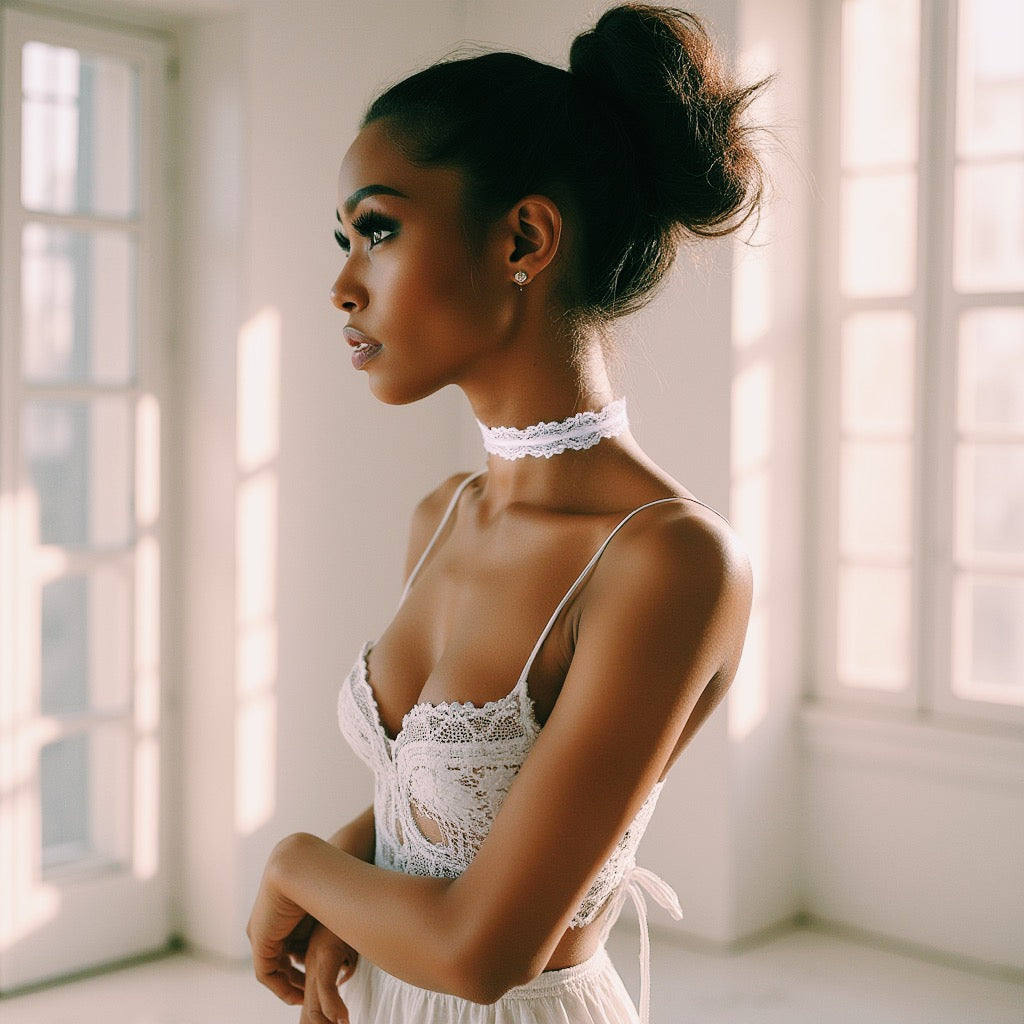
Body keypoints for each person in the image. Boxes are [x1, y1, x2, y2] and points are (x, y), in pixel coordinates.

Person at [247, 4, 766, 1022]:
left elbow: (483, 952)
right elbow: (445, 810)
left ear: (524, 235)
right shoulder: (442, 515)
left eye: (380, 229)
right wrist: (353, 883)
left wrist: (296, 864)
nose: (343, 285)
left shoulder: (670, 560)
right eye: (345, 239)